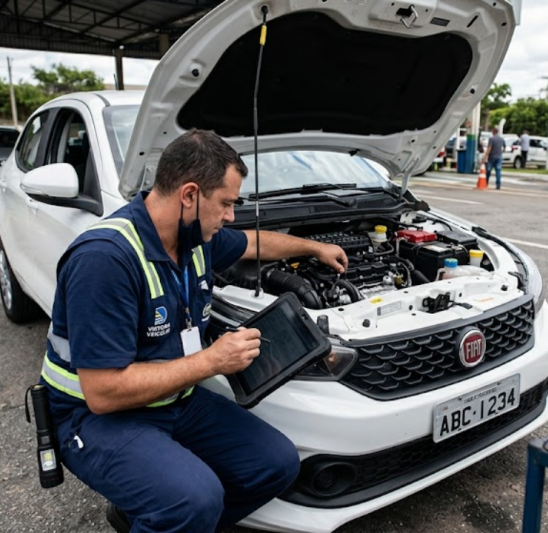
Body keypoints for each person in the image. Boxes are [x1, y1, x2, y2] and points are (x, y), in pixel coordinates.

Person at [40, 129, 349, 532]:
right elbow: (102, 393)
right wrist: (212, 360)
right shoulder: (104, 260)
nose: (229, 216)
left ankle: (158, 519)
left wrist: (313, 248)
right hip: (93, 417)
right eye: (225, 203)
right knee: (194, 498)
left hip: (173, 398)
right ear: (189, 195)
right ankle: (174, 515)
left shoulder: (193, 237)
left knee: (276, 463)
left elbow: (253, 244)